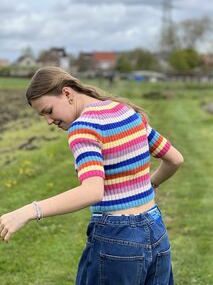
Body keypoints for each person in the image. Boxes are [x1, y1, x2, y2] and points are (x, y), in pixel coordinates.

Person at [0, 66, 183, 284]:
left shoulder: (83, 128)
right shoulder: (127, 111)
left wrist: (31, 211)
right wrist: (149, 185)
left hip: (118, 241)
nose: (48, 121)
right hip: (156, 229)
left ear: (67, 93)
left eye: (48, 111)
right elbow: (174, 159)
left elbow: (92, 191)